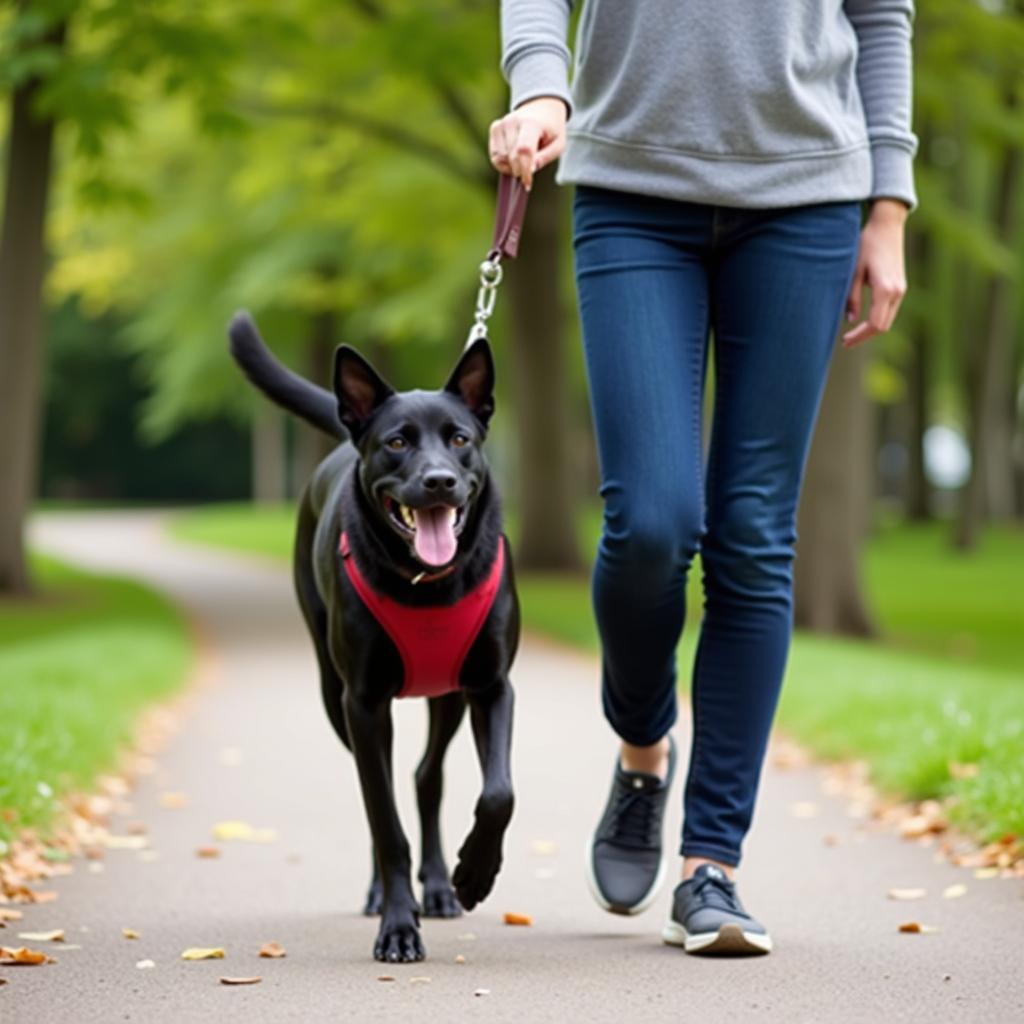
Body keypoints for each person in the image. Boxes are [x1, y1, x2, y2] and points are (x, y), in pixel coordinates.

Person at [489, 1, 916, 955]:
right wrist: (540, 85)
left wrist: (887, 205)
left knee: (755, 534)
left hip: (808, 195)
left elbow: (881, 13)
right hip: (631, 185)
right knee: (649, 522)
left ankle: (711, 869)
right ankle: (644, 749)